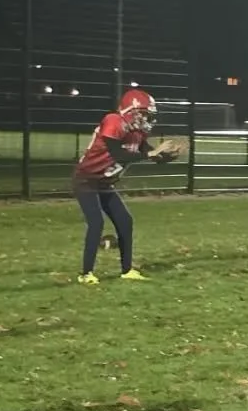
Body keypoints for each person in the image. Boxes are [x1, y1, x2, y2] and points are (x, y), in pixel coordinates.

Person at [72, 87, 181, 284]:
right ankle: (86, 273)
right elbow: (118, 154)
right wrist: (152, 153)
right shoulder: (113, 121)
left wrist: (169, 156)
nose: (146, 119)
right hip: (86, 179)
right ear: (130, 110)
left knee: (125, 221)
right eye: (143, 114)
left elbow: (151, 155)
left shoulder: (137, 133)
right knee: (96, 223)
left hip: (105, 182)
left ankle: (127, 269)